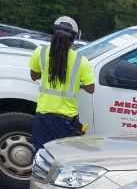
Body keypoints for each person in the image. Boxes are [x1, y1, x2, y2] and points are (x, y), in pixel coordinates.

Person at [29, 16, 95, 151]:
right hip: (64, 122)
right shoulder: (81, 61)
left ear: (54, 33)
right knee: (59, 159)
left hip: (42, 118)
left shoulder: (40, 52)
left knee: (40, 156)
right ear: (73, 39)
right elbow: (90, 89)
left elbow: (34, 76)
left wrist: (50, 71)